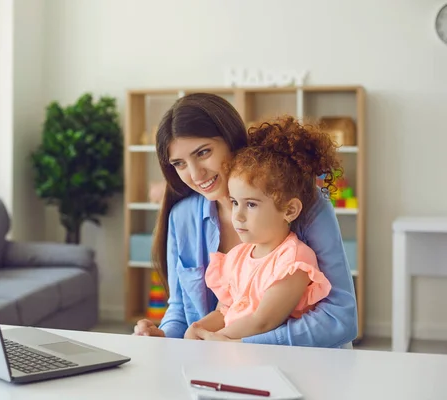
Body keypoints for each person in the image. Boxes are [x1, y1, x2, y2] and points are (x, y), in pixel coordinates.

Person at [133, 93, 358, 347]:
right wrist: (161, 338)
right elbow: (180, 313)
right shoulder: (182, 217)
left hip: (307, 366)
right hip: (222, 361)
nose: (196, 174)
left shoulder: (302, 203)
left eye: (203, 152)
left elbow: (341, 317)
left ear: (231, 140)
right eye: (179, 163)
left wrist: (243, 343)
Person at [186, 118, 336, 341]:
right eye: (235, 202)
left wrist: (215, 340)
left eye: (251, 204)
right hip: (236, 352)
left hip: (275, 359)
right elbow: (224, 311)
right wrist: (197, 329)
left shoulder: (294, 261)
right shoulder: (238, 256)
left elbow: (263, 321)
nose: (238, 215)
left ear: (290, 210)